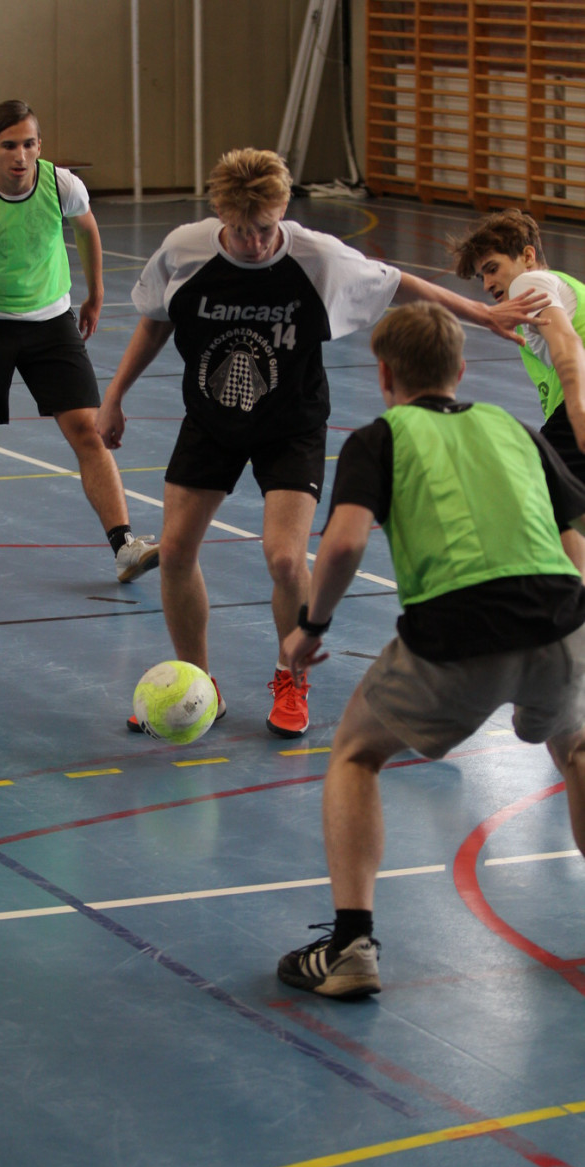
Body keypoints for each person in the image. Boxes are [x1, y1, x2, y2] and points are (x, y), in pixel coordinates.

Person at [96, 148, 550, 737]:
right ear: (220, 214)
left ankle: (291, 680)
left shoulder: (317, 257)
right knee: (177, 552)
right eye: (242, 230)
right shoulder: (184, 249)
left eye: (266, 229)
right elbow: (156, 319)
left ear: (283, 208)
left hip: (292, 423)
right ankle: (198, 687)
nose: (255, 243)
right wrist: (115, 395)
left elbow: (398, 284)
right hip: (210, 420)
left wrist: (480, 315)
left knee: (285, 559)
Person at [277, 302, 585, 1000]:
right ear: (462, 370)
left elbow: (345, 544)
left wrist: (310, 628)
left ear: (384, 375)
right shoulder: (514, 428)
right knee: (576, 747)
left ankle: (351, 945)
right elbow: (573, 541)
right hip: (562, 621)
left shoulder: (379, 438)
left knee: (356, 753)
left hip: (458, 631)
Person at [0, 98, 158, 583]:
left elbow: (86, 229)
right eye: (9, 145)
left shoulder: (61, 184)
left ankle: (124, 546)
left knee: (88, 431)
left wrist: (95, 294)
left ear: (40, 146)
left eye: (29, 144)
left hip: (51, 322)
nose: (20, 155)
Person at [450, 208, 585, 572]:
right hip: (567, 413)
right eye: (481, 276)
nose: (486, 284)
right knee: (564, 508)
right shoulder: (558, 288)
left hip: (576, 410)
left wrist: (578, 411)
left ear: (527, 256)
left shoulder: (530, 284)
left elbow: (567, 344)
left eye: (492, 268)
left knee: (521, 490)